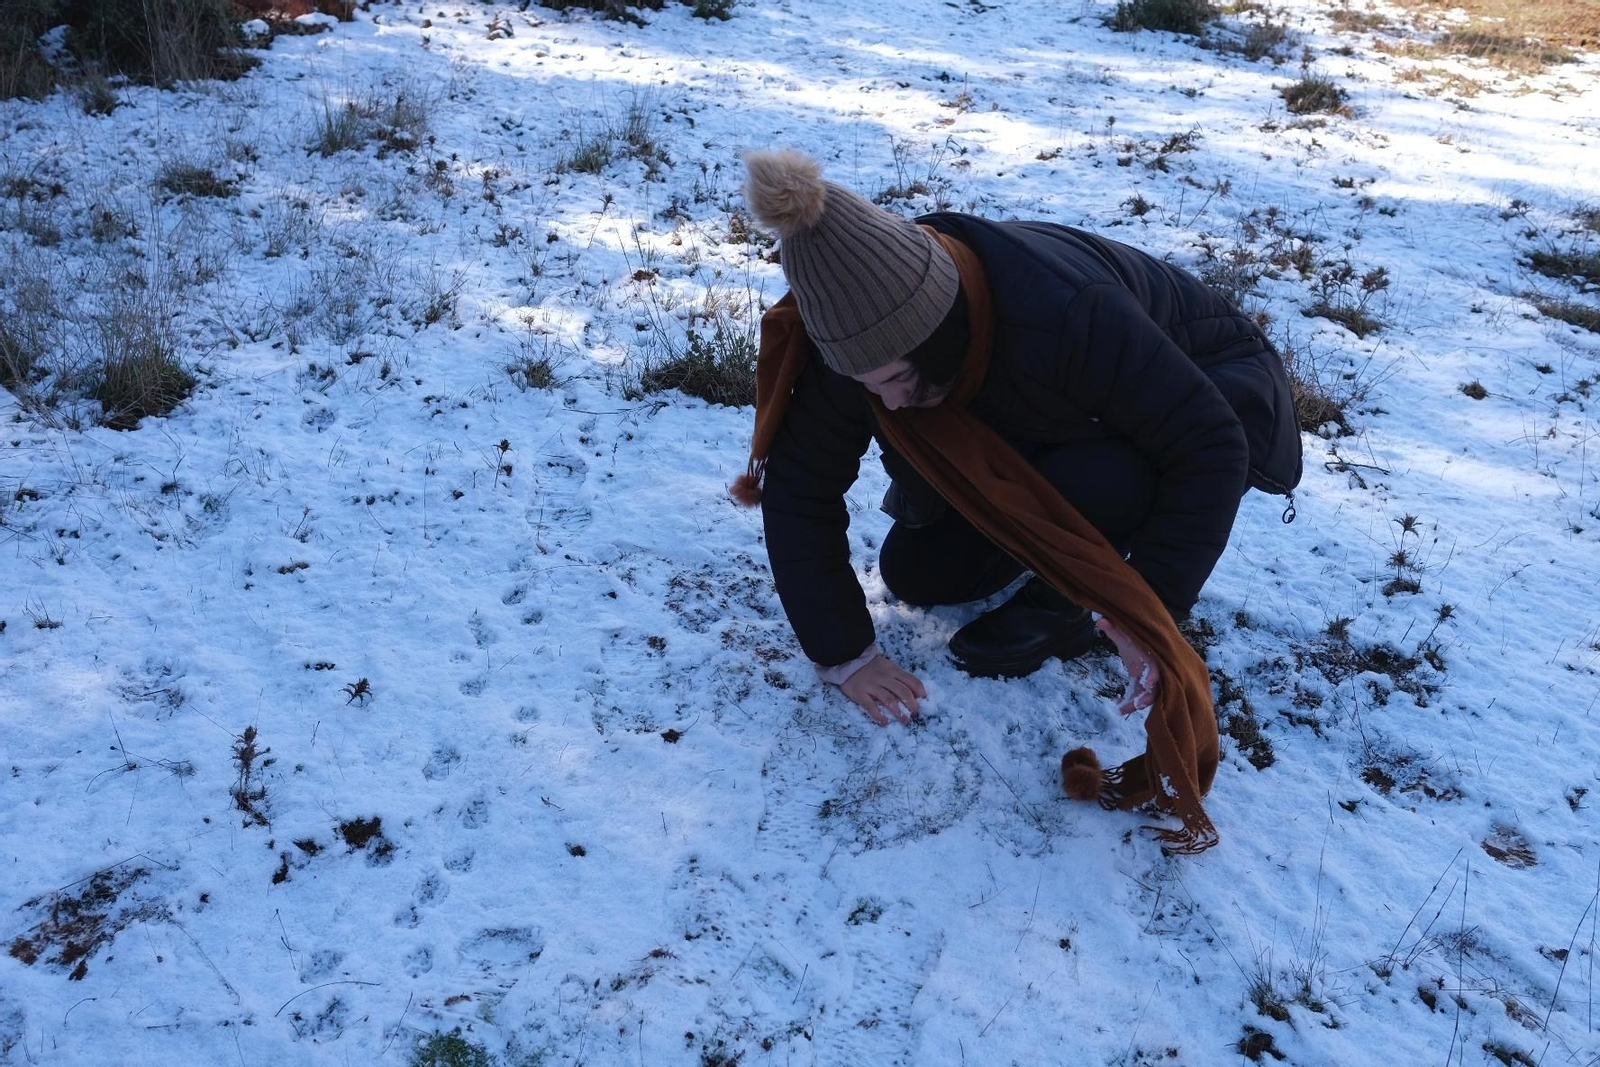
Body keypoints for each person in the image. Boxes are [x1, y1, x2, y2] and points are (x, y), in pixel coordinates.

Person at [733, 148, 1302, 729]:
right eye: (868, 387)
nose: (891, 404)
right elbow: (801, 487)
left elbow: (1207, 444)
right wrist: (846, 657)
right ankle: (1038, 541)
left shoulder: (1066, 312)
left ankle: (1067, 607)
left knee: (1106, 482)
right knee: (918, 574)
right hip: (1051, 412)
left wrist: (1144, 615)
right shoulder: (854, 341)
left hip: (1209, 388)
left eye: (899, 379)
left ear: (941, 333)